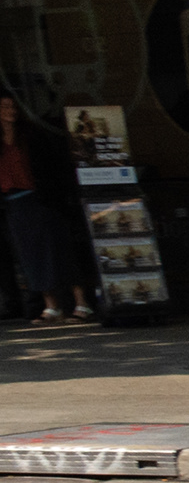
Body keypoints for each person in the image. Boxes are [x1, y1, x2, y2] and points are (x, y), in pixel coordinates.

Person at [0, 88, 92, 325]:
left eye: (13, 106)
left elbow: (50, 167)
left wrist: (57, 195)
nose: (10, 111)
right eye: (5, 107)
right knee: (31, 256)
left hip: (39, 199)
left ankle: (81, 302)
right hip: (14, 203)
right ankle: (51, 306)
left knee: (59, 249)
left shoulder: (31, 135)